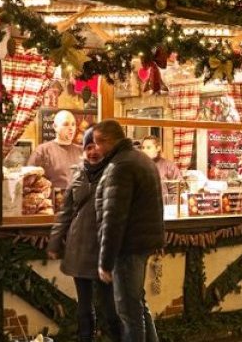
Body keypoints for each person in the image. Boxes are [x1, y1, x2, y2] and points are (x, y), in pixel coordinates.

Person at [92, 120, 164, 342]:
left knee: (128, 312)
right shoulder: (139, 158)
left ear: (107, 141)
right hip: (141, 244)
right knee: (138, 305)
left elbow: (113, 218)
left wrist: (105, 261)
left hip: (127, 247)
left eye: (97, 143)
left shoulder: (120, 166)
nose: (95, 149)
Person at [48, 128, 121, 342]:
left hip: (104, 247)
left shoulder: (115, 172)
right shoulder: (78, 174)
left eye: (96, 146)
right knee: (84, 304)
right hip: (79, 246)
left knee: (110, 306)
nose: (92, 152)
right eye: (88, 147)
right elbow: (66, 211)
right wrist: (54, 242)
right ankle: (85, 338)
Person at [28, 110, 83, 194]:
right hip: (52, 203)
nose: (71, 128)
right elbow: (29, 183)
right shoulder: (42, 151)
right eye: (66, 124)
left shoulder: (82, 151)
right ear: (55, 126)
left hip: (78, 204)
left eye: (73, 124)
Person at [137, 135, 181, 205]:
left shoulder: (169, 166)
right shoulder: (137, 166)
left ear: (158, 148)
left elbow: (178, 190)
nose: (144, 150)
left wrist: (171, 209)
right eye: (143, 148)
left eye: (148, 147)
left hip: (164, 210)